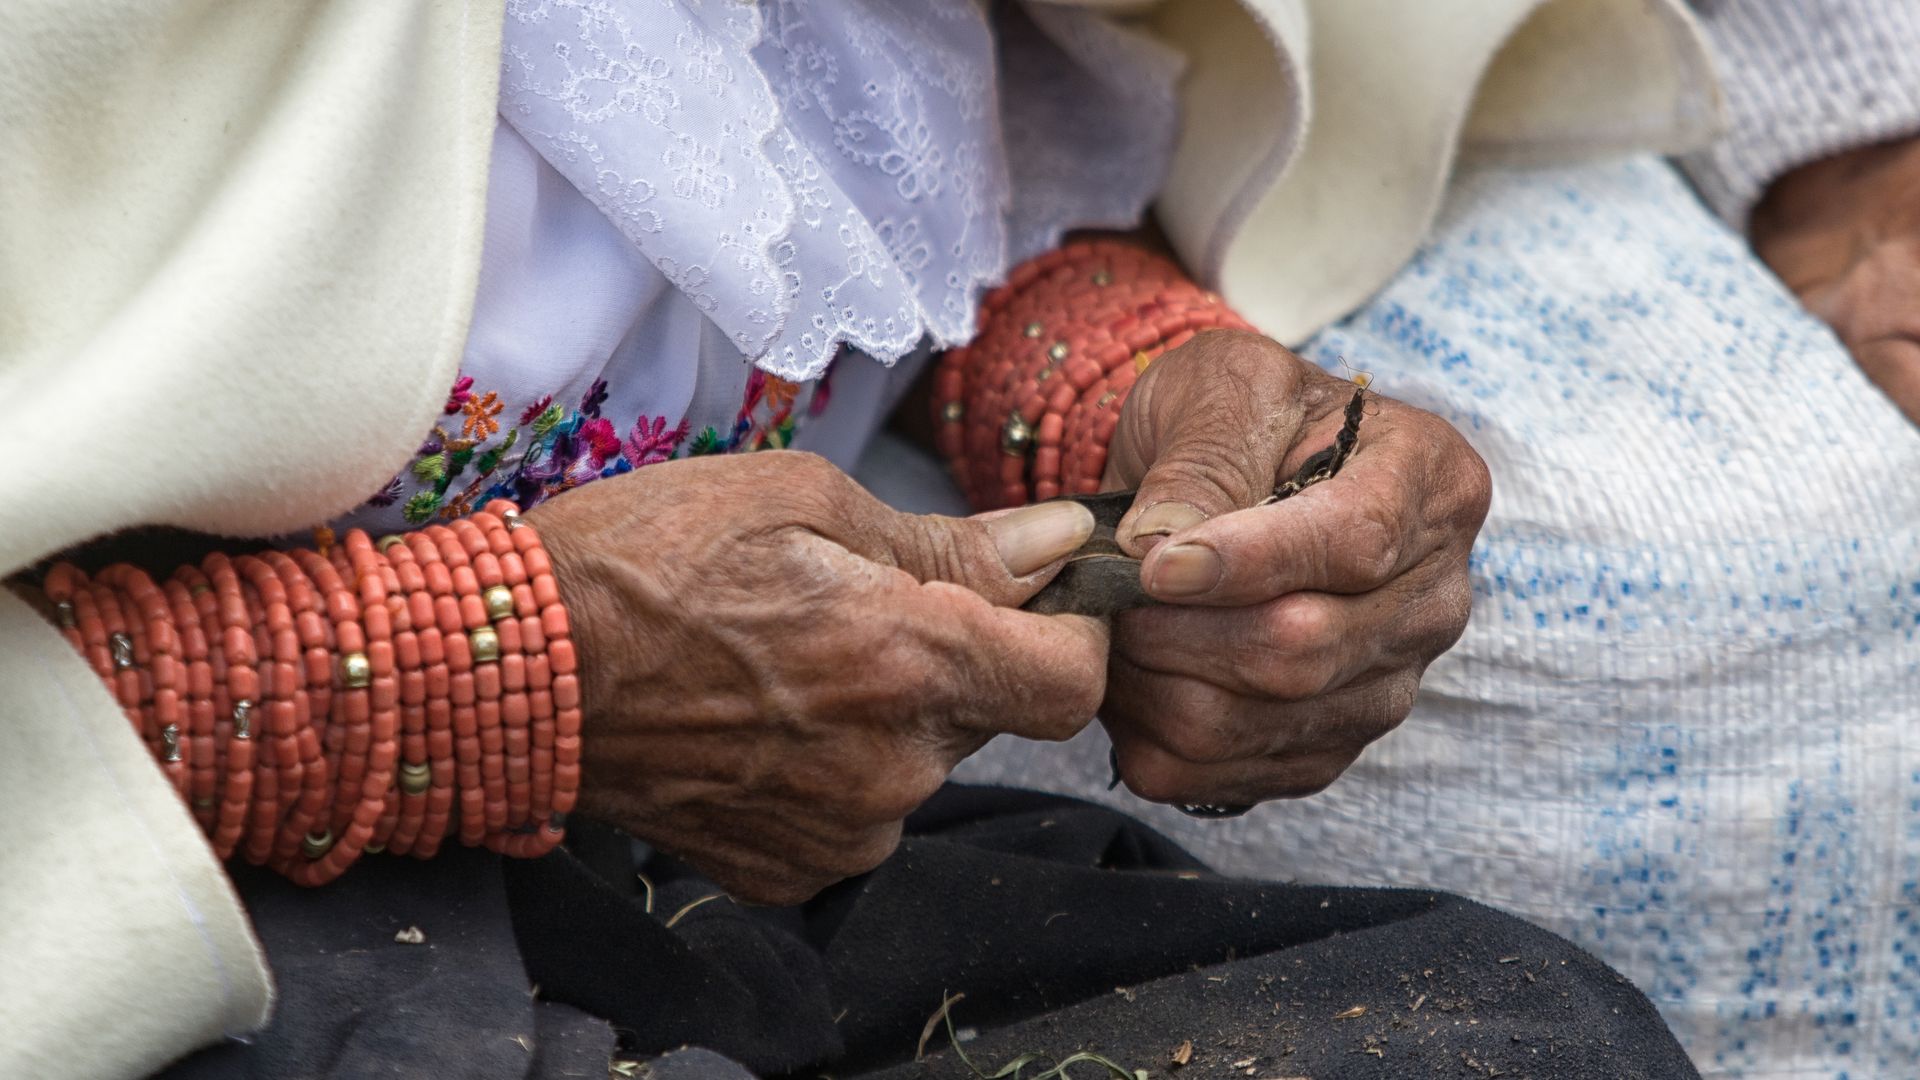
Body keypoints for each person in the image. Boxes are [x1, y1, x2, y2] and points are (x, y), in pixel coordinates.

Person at [0, 2, 1900, 1079]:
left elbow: (799, 207)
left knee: (1514, 1045)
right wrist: (461, 674)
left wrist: (1149, 407)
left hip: (618, 884)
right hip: (129, 918)